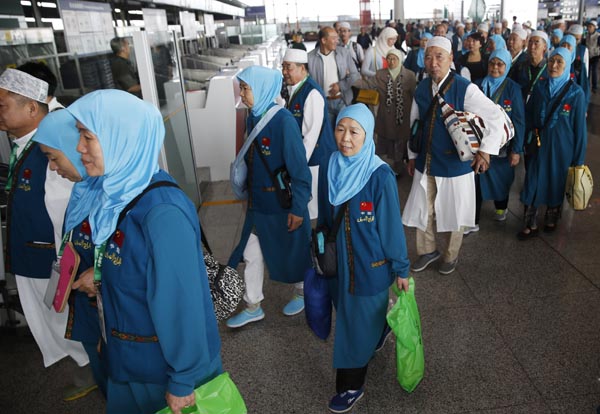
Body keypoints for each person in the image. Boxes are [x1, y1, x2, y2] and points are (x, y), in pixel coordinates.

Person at [65, 89, 222, 413]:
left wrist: (182, 380)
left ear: (119, 137)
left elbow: (181, 302)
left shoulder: (162, 212)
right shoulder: (117, 197)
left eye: (87, 137)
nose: (79, 148)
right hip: (126, 360)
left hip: (162, 373)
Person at [0, 68, 97, 401]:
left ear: (31, 109)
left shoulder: (52, 148)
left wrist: (64, 267)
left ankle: (91, 369)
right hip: (34, 255)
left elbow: (63, 212)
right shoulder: (27, 145)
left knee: (65, 319)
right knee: (53, 320)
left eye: (2, 105)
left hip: (50, 258)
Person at [317, 103, 410, 413]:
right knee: (350, 316)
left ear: (367, 135)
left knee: (353, 331)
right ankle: (381, 329)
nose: (345, 138)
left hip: (370, 268)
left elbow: (392, 229)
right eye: (340, 129)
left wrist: (401, 269)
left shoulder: (379, 176)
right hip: (337, 267)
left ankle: (351, 386)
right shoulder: (331, 165)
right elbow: (325, 215)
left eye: (354, 132)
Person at [402, 37, 505, 274]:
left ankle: (450, 255)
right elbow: (414, 124)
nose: (433, 62)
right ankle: (427, 250)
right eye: (428, 57)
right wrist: (411, 155)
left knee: (454, 212)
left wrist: (486, 152)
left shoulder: (464, 87)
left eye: (439, 56)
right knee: (422, 210)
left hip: (454, 164)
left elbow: (495, 117)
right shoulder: (421, 87)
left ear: (450, 59)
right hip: (426, 161)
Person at [226, 66, 313, 328]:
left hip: (282, 204)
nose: (242, 95)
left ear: (262, 88)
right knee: (252, 253)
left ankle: (303, 291)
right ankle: (253, 305)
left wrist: (298, 208)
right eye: (241, 88)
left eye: (246, 88)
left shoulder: (283, 121)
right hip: (259, 205)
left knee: (292, 251)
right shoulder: (252, 116)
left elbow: (299, 170)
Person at [32, 109, 108, 398]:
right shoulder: (82, 191)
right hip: (89, 312)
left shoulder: (113, 197)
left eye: (54, 157)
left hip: (112, 317)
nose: (52, 168)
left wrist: (101, 274)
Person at [518, 48, 587, 239]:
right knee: (532, 180)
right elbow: (529, 115)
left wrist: (578, 160)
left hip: (562, 149)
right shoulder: (540, 87)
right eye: (551, 61)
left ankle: (552, 216)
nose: (554, 66)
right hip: (538, 145)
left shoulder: (576, 93)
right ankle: (529, 222)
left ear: (567, 66)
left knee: (556, 182)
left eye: (559, 62)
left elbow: (580, 130)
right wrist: (526, 138)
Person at [470, 49, 525, 231]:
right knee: (476, 182)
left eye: (500, 64)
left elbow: (518, 121)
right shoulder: (477, 86)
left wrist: (516, 151)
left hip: (503, 149)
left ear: (507, 66)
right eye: (492, 63)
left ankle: (501, 208)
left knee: (501, 180)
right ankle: (473, 220)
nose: (495, 67)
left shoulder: (513, 89)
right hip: (479, 145)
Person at [281, 48, 336, 222]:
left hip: (314, 162)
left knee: (313, 211)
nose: (284, 72)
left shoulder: (311, 93)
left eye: (288, 67)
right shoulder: (294, 89)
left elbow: (310, 138)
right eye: (283, 67)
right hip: (304, 161)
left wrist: (296, 168)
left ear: (302, 68)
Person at [360, 49, 416, 173]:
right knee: (388, 140)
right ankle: (389, 166)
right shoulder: (380, 74)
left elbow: (414, 95)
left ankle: (400, 165)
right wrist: (351, 81)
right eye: (389, 58)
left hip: (403, 116)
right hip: (386, 115)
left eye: (394, 58)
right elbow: (368, 85)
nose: (391, 61)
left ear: (400, 60)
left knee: (402, 140)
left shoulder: (409, 75)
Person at [308, 27, 361, 126]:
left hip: (343, 101)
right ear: (323, 40)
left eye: (337, 38)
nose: (337, 41)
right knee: (328, 135)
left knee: (343, 132)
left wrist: (340, 86)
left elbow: (355, 75)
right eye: (334, 38)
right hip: (323, 104)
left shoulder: (344, 53)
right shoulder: (310, 58)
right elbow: (307, 82)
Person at [511, 31, 549, 103]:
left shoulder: (549, 69)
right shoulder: (520, 67)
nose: (532, 47)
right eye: (530, 42)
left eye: (536, 43)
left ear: (544, 47)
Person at [561, 31, 591, 106]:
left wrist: (584, 107)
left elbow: (584, 87)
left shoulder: (578, 65)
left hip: (573, 103)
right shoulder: (555, 62)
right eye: (563, 45)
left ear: (574, 49)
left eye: (569, 46)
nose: (565, 48)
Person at [584, 20, 599, 93]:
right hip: (588, 56)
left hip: (595, 56)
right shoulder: (586, 35)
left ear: (594, 28)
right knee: (587, 71)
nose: (588, 28)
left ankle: (594, 87)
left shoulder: (598, 36)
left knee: (595, 71)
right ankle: (587, 85)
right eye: (588, 26)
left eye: (590, 27)